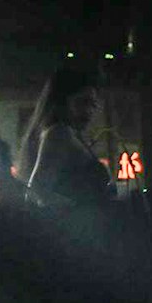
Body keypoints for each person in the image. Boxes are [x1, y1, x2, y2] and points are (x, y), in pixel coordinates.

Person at [23, 65, 111, 210]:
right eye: (82, 102)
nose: (88, 111)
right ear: (62, 101)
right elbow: (38, 190)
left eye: (93, 105)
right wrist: (78, 211)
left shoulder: (68, 134)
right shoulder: (59, 133)